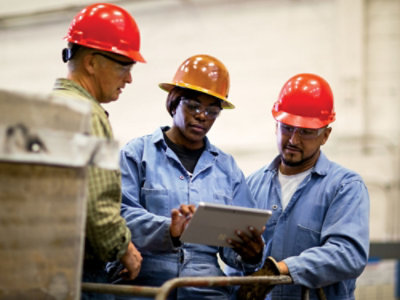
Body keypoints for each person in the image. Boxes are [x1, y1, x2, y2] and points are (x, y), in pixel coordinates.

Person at [107, 54, 266, 300]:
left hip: (206, 288)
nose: (202, 116)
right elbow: (119, 215)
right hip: (146, 285)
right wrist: (168, 230)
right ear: (173, 102)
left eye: (212, 111)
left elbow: (236, 243)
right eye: (193, 106)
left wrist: (251, 254)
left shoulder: (227, 168)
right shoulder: (137, 154)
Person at [234, 73, 370, 300]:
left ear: (325, 135)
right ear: (275, 126)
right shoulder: (252, 185)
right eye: (287, 128)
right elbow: (234, 260)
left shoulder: (345, 187)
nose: (293, 140)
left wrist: (285, 269)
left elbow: (348, 255)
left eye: (306, 132)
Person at [51, 3, 146, 299]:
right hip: (83, 271)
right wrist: (123, 248)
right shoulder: (89, 116)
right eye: (124, 65)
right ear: (91, 62)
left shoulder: (49, 108)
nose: (129, 78)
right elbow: (98, 205)